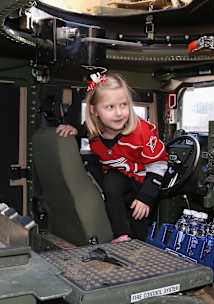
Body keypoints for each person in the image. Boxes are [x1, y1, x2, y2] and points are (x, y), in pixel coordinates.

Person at [56, 72, 168, 241]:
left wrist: (145, 197)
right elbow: (85, 130)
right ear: (94, 110)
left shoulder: (141, 132)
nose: (119, 113)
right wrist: (75, 131)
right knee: (112, 184)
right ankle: (121, 236)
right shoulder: (93, 129)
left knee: (139, 222)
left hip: (144, 182)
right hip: (119, 178)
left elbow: (158, 164)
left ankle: (138, 244)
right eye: (110, 107)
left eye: (123, 105)